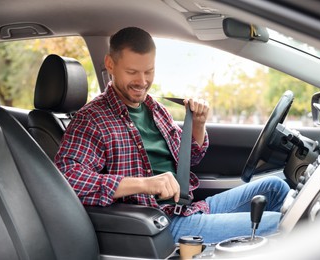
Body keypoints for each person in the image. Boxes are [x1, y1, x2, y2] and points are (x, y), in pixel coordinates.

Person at [55, 27, 290, 244]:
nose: (142, 81)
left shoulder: (155, 109)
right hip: (160, 225)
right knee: (286, 224)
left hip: (188, 208)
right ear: (110, 64)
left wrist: (198, 124)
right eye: (132, 72)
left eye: (149, 71)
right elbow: (67, 180)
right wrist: (145, 184)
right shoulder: (91, 119)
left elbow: (189, 160)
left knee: (275, 187)